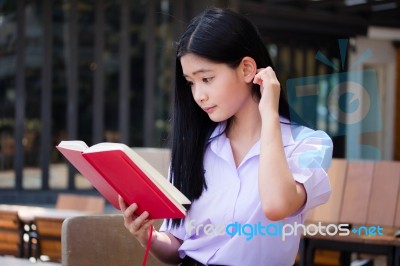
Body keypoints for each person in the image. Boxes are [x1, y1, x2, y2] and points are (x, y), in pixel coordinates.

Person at [119, 7, 332, 266]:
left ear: (246, 69)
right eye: (191, 83)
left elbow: (277, 205)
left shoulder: (308, 144)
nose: (198, 95)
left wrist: (269, 114)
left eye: (207, 79)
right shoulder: (194, 148)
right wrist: (148, 236)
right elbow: (178, 247)